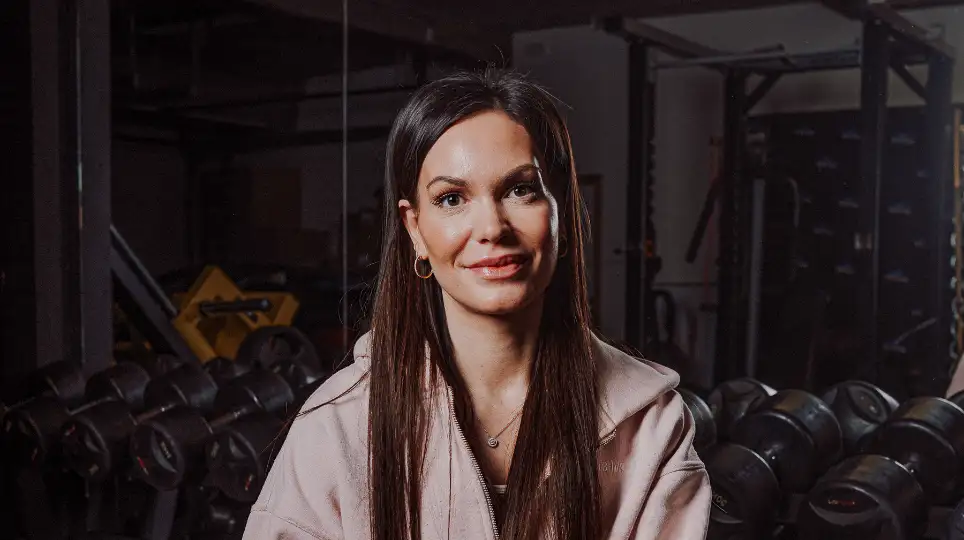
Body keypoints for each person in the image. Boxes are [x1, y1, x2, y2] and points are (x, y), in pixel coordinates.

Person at [242, 69, 710, 540]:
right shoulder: (338, 425)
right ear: (414, 230)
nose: (490, 227)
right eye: (451, 198)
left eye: (519, 189)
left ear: (561, 213)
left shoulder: (649, 426)